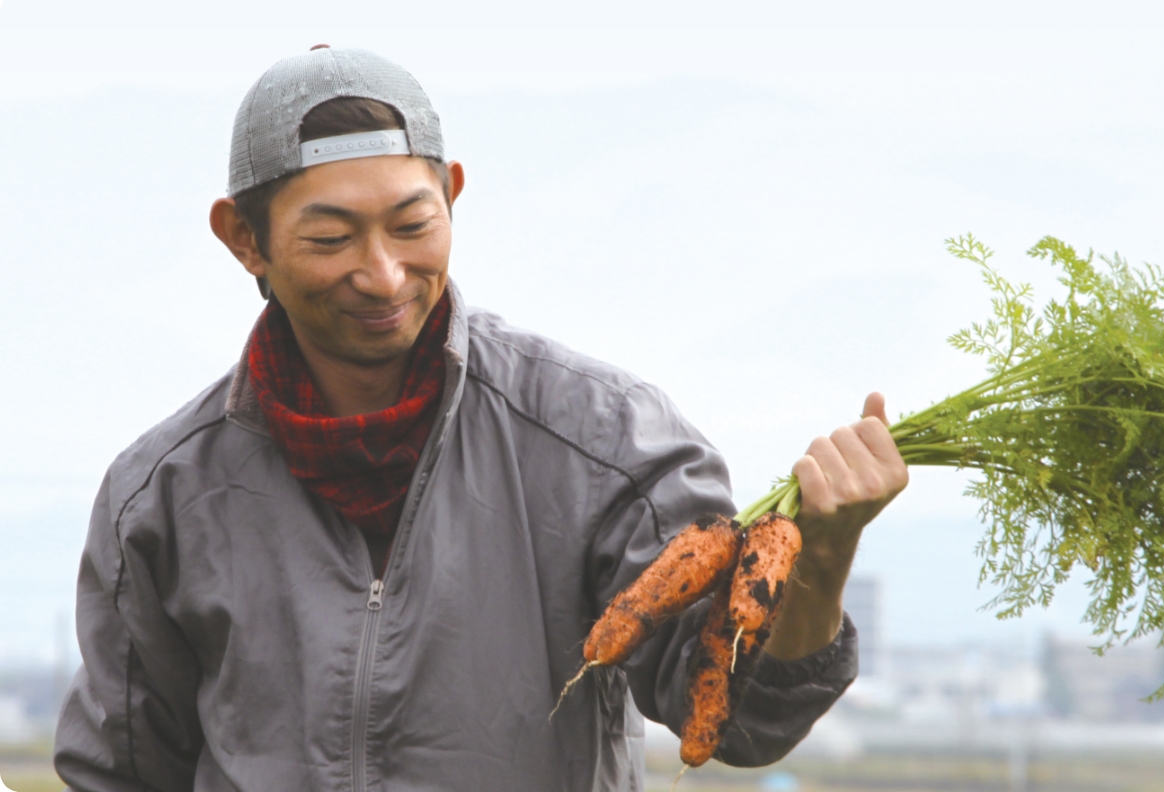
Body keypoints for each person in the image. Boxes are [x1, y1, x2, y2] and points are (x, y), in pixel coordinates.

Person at [53, 46, 908, 791]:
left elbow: (737, 715)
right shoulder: (163, 497)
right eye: (331, 239)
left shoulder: (602, 444)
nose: (383, 274)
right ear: (244, 240)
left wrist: (824, 556)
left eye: (411, 223)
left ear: (452, 196)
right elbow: (119, 772)